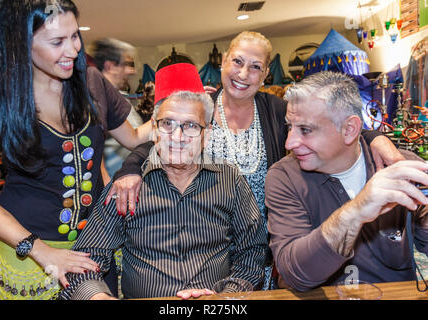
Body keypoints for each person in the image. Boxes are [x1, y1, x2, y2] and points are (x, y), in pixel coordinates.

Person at [107, 31, 405, 290]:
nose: (243, 74)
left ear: (265, 75)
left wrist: (373, 138)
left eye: (255, 67)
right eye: (237, 62)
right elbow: (151, 142)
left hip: (271, 249)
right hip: (211, 251)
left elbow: (328, 124)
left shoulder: (277, 110)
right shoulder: (198, 109)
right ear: (223, 61)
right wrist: (130, 170)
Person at [0, 0, 149, 300]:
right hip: (26, 254)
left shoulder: (93, 83)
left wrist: (183, 114)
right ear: (20, 44)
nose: (73, 50)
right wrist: (40, 251)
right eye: (57, 41)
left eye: (74, 37)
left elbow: (135, 139)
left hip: (93, 244)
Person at [59, 63, 267, 300]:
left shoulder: (229, 180)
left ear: (206, 134)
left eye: (189, 126)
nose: (177, 137)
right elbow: (84, 258)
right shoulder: (127, 187)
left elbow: (253, 250)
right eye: (167, 124)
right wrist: (98, 297)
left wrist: (227, 296)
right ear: (155, 130)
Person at [265, 71, 428, 291]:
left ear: (349, 129)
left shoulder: (400, 168)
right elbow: (296, 274)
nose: (290, 142)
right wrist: (357, 210)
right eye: (289, 127)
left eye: (305, 129)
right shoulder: (284, 177)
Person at [91, 38, 144, 181]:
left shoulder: (118, 99)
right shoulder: (100, 102)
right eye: (126, 64)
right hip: (114, 187)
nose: (132, 71)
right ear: (110, 66)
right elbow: (135, 140)